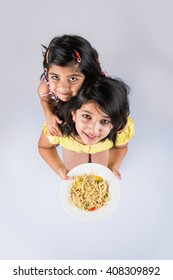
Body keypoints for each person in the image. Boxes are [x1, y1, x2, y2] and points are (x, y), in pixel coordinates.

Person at [38, 76, 135, 180]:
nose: (93, 130)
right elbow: (44, 147)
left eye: (105, 121)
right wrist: (59, 168)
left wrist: (113, 166)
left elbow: (121, 147)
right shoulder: (58, 126)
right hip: (73, 163)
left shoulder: (120, 128)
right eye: (86, 116)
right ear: (74, 113)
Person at [38, 34, 105, 136]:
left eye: (73, 79)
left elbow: (114, 101)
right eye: (55, 77)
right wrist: (49, 115)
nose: (63, 87)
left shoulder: (96, 86)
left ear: (87, 76)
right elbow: (45, 101)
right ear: (47, 73)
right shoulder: (45, 89)